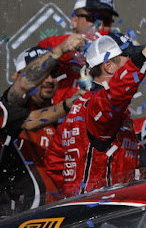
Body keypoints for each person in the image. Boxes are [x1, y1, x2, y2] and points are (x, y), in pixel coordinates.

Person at [45, 26, 146, 198]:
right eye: (128, 58)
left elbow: (54, 161)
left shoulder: (79, 107)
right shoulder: (98, 105)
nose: (132, 62)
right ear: (108, 66)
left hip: (89, 208)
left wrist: (72, 195)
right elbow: (118, 91)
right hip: (101, 209)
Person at [0, 37, 85, 215]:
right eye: (42, 73)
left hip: (58, 215)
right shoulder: (9, 107)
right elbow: (29, 116)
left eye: (54, 73)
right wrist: (59, 50)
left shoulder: (60, 116)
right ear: (19, 75)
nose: (49, 80)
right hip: (18, 220)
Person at [38, 0, 120, 104]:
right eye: (93, 18)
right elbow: (27, 78)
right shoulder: (52, 44)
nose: (100, 26)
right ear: (75, 21)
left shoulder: (117, 50)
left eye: (106, 20)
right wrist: (61, 49)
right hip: (56, 118)